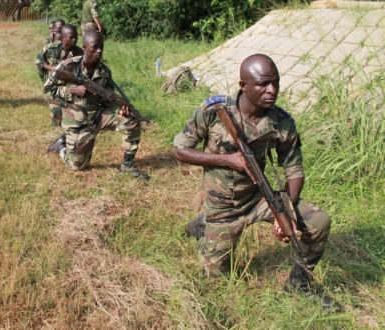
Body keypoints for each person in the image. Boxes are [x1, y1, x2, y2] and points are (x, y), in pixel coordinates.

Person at [173, 54, 331, 299]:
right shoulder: (214, 111)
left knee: (319, 221)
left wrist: (285, 212)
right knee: (215, 282)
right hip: (222, 205)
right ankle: (205, 226)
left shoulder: (282, 122)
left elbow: (294, 171)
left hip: (258, 198)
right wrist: (228, 160)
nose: (272, 90)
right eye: (264, 84)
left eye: (276, 82)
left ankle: (299, 284)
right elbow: (180, 150)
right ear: (243, 86)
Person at [45, 32, 149, 180]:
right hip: (77, 122)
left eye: (101, 47)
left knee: (131, 120)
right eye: (95, 47)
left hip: (97, 116)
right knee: (77, 166)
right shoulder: (68, 66)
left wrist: (121, 109)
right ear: (85, 48)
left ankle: (127, 164)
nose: (99, 51)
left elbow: (107, 99)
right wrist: (73, 90)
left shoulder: (104, 71)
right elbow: (47, 92)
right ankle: (61, 146)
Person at [36, 24, 84, 126]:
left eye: (76, 37)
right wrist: (51, 68)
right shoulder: (51, 49)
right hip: (54, 89)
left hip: (72, 89)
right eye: (71, 37)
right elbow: (39, 61)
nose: (74, 40)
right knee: (56, 123)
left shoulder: (79, 52)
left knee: (75, 121)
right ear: (62, 38)